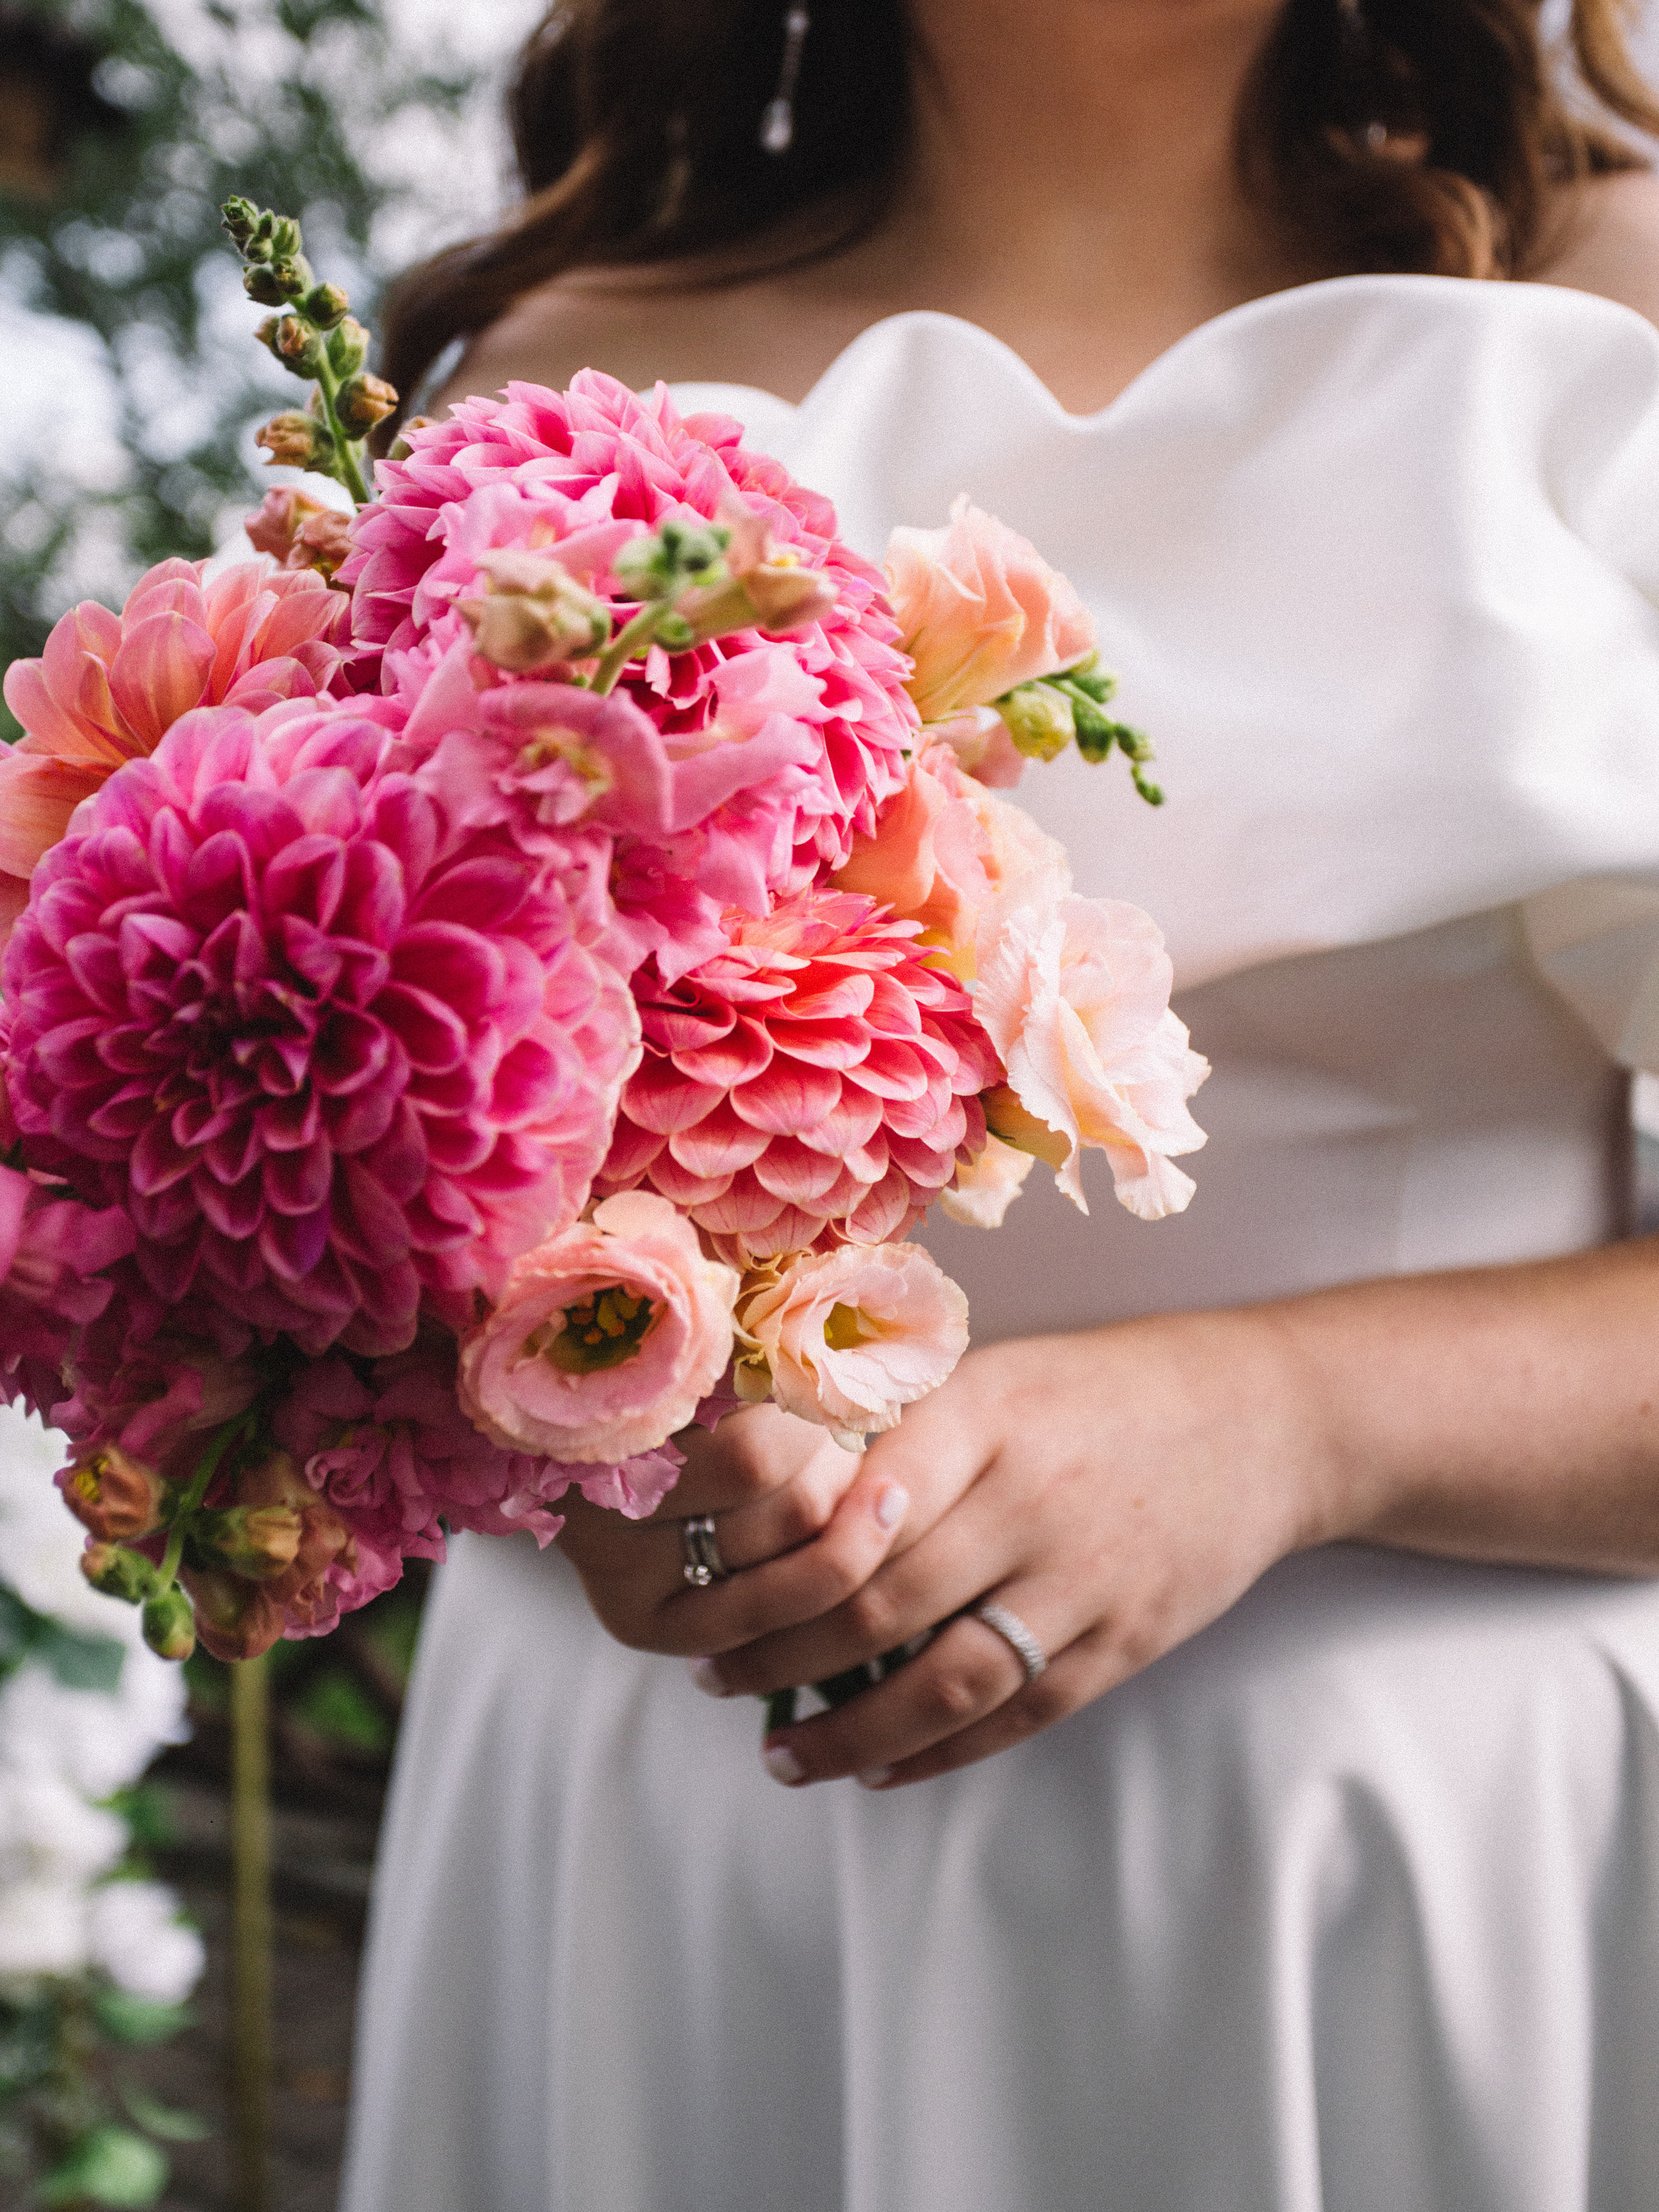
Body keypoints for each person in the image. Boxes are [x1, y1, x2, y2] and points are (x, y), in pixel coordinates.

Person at [340, 5, 1659, 2207]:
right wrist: (604, 1466)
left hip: (1385, 1866)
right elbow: (380, 1161)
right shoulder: (555, 377)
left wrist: (1293, 1420)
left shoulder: (1621, 324)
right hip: (675, 1851)